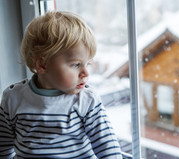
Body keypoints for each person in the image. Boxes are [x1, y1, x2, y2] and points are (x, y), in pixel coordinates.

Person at [0, 11, 122, 159]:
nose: (86, 73)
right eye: (76, 65)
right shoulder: (13, 98)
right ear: (42, 65)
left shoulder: (86, 99)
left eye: (87, 64)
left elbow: (108, 148)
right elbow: (3, 145)